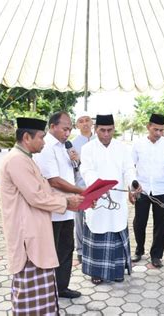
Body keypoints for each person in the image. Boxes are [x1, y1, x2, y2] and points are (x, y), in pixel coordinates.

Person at [0, 117, 84, 314]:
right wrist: (66, 202)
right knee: (28, 286)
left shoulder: (25, 159)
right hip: (26, 231)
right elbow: (36, 197)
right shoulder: (16, 161)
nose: (44, 142)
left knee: (43, 283)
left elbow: (44, 190)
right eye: (41, 137)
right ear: (27, 137)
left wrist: (74, 201)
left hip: (35, 228)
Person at [80, 114, 142, 284]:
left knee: (116, 230)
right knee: (97, 232)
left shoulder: (122, 148)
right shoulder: (88, 149)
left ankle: (117, 271)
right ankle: (96, 272)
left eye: (109, 130)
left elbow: (129, 169)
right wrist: (100, 186)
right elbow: (86, 171)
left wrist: (133, 184)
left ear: (114, 129)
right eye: (102, 130)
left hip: (117, 199)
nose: (106, 134)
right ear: (96, 129)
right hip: (97, 198)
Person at [33, 112, 84, 299]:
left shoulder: (65, 147)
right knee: (50, 251)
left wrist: (75, 161)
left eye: (70, 129)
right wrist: (80, 191)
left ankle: (61, 287)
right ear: (52, 126)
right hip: (52, 210)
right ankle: (46, 289)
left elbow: (70, 173)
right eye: (65, 128)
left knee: (66, 248)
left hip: (67, 209)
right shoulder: (46, 147)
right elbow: (54, 181)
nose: (68, 132)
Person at [131, 113, 164, 268]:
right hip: (142, 189)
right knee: (140, 222)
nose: (159, 133)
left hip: (161, 189)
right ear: (148, 126)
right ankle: (139, 250)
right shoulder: (138, 144)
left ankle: (156, 255)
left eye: (161, 130)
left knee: (160, 223)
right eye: (156, 130)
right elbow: (130, 166)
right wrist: (131, 187)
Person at [72, 111, 97, 264]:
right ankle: (80, 250)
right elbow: (73, 165)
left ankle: (93, 247)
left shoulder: (98, 140)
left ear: (92, 122)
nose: (85, 123)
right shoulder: (73, 143)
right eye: (81, 121)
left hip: (96, 186)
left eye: (87, 120)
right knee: (79, 219)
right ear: (77, 125)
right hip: (79, 186)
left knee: (95, 218)